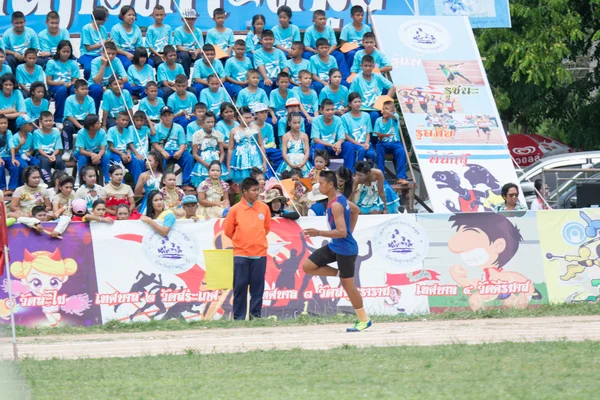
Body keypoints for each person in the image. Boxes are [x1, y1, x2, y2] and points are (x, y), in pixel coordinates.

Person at [302, 171, 371, 332]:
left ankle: (363, 320)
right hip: (336, 246)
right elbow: (355, 210)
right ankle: (339, 273)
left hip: (345, 250)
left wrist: (318, 233)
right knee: (307, 266)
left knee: (349, 287)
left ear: (330, 184)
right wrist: (349, 231)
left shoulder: (336, 204)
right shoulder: (339, 199)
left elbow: (342, 232)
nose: (319, 186)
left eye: (322, 183)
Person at [223, 177, 271, 320]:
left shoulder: (264, 208)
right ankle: (238, 317)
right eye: (254, 190)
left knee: (258, 288)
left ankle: (255, 316)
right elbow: (228, 231)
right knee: (240, 287)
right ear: (244, 192)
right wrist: (242, 240)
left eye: (258, 190)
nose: (257, 193)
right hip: (241, 253)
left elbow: (266, 228)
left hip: (259, 253)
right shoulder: (235, 210)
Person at [150, 105, 194, 187]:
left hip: (176, 150)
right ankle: (164, 183)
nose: (167, 118)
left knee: (189, 158)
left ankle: (186, 183)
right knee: (160, 159)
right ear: (161, 117)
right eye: (164, 115)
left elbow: (182, 143)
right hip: (163, 150)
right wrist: (163, 151)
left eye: (169, 115)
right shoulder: (157, 127)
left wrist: (180, 151)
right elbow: (154, 143)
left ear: (172, 116)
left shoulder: (179, 127)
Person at [302, 10, 349, 81]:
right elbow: (306, 46)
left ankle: (344, 78)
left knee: (340, 55)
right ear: (313, 20)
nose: (323, 21)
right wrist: (316, 51)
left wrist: (327, 53)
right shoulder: (309, 30)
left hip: (328, 50)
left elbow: (334, 44)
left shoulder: (329, 29)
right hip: (314, 51)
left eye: (324, 19)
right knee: (305, 55)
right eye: (320, 19)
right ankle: (310, 77)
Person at [349, 55, 395, 127]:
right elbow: (351, 94)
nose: (368, 68)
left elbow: (392, 87)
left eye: (370, 66)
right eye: (365, 66)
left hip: (376, 108)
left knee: (377, 115)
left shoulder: (378, 76)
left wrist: (385, 100)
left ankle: (376, 137)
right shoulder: (357, 78)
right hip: (361, 107)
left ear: (374, 66)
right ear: (361, 66)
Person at [88, 41, 131, 113]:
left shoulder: (117, 61)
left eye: (113, 54)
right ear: (102, 52)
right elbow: (97, 81)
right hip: (97, 86)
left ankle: (124, 114)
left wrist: (109, 87)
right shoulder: (95, 62)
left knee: (127, 86)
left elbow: (125, 78)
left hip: (111, 86)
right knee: (96, 89)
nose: (110, 56)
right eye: (108, 53)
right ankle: (94, 115)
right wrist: (103, 65)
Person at [227, 106, 266, 182]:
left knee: (257, 179)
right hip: (240, 158)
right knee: (242, 181)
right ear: (239, 118)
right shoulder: (234, 131)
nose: (248, 120)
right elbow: (230, 149)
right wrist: (229, 165)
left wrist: (264, 162)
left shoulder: (256, 128)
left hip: (255, 156)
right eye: (246, 118)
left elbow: (261, 145)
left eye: (250, 117)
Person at [374, 101, 409, 185]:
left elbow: (393, 116)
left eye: (387, 109)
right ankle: (380, 176)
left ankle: (401, 177)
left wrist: (389, 113)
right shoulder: (378, 120)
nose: (384, 111)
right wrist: (381, 136)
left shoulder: (395, 117)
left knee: (401, 151)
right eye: (383, 109)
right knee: (379, 150)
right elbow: (377, 134)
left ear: (392, 110)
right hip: (383, 143)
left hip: (395, 143)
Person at [46, 40, 80, 123]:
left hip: (69, 85)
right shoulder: (51, 62)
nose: (66, 54)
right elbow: (49, 81)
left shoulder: (73, 63)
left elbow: (75, 80)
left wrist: (71, 83)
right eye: (64, 51)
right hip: (55, 86)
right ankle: (59, 118)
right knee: (62, 90)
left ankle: (73, 116)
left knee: (74, 89)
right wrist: (59, 83)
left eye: (68, 51)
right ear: (58, 51)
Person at [190, 111, 227, 187]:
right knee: (203, 185)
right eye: (208, 122)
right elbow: (195, 154)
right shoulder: (197, 135)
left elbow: (222, 152)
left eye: (212, 122)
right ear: (203, 122)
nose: (211, 124)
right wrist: (206, 164)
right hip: (203, 161)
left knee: (218, 184)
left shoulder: (218, 134)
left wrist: (218, 163)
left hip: (215, 159)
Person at [63, 79, 96, 160]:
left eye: (86, 89)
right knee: (67, 127)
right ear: (75, 90)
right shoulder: (69, 99)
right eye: (82, 89)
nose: (85, 91)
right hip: (71, 120)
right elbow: (69, 116)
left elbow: (92, 115)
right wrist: (80, 126)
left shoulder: (90, 100)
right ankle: (67, 150)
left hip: (85, 121)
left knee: (92, 127)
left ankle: (85, 150)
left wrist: (85, 125)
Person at [107, 111, 143, 183]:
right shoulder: (111, 130)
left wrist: (128, 154)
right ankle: (121, 185)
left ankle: (139, 185)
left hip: (124, 153)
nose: (125, 122)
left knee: (135, 161)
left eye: (127, 120)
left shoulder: (127, 131)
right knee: (118, 165)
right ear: (117, 120)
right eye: (123, 120)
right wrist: (122, 154)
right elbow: (111, 147)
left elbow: (128, 145)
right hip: (114, 153)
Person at [342, 93, 375, 171]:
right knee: (361, 150)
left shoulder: (366, 116)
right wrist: (360, 144)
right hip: (353, 144)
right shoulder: (344, 117)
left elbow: (368, 132)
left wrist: (366, 143)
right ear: (350, 104)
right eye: (355, 102)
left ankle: (367, 174)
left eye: (359, 101)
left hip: (365, 143)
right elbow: (346, 136)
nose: (357, 104)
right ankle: (356, 173)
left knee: (372, 154)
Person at [75, 114, 111, 184]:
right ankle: (82, 182)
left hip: (97, 153)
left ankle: (107, 180)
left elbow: (103, 149)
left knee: (106, 158)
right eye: (97, 123)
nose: (100, 124)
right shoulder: (81, 133)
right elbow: (81, 151)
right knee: (82, 159)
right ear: (91, 126)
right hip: (83, 153)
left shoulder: (102, 132)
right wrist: (92, 155)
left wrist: (98, 156)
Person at [254, 30, 288, 97]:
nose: (268, 41)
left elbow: (285, 67)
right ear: (261, 41)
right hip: (264, 79)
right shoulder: (257, 53)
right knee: (266, 85)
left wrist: (283, 80)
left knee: (285, 85)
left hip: (278, 79)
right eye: (266, 39)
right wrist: (266, 78)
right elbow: (260, 66)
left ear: (274, 40)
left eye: (270, 39)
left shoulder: (279, 52)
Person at [277, 112, 312, 177]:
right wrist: (291, 164)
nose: (297, 125)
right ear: (289, 123)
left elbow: (307, 151)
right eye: (294, 123)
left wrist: (303, 163)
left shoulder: (304, 136)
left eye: (299, 122)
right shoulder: (286, 136)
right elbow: (284, 153)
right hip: (289, 161)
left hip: (302, 160)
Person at [34, 111, 65, 183]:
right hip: (42, 154)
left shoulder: (56, 131)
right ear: (41, 122)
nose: (48, 122)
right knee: (45, 161)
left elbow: (58, 147)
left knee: (59, 161)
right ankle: (49, 182)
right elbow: (39, 149)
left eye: (50, 120)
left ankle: (62, 180)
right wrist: (48, 156)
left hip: (53, 153)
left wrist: (53, 155)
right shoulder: (37, 132)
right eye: (46, 121)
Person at [111, 6, 145, 71]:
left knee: (149, 62)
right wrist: (126, 54)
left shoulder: (137, 29)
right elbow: (114, 48)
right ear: (122, 16)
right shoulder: (116, 29)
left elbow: (139, 47)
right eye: (129, 15)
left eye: (133, 15)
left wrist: (137, 56)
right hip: (120, 53)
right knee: (127, 64)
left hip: (134, 53)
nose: (132, 17)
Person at [79, 6, 109, 79]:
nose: (106, 19)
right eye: (105, 17)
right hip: (87, 55)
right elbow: (88, 48)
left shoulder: (103, 28)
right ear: (100, 17)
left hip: (101, 54)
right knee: (89, 69)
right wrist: (103, 43)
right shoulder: (86, 29)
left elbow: (105, 43)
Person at [9, 115, 40, 186]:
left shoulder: (30, 135)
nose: (32, 126)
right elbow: (14, 151)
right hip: (18, 155)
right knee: (23, 166)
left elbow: (33, 148)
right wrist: (20, 144)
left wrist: (29, 153)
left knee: (36, 162)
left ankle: (33, 182)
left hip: (27, 155)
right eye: (29, 124)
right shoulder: (15, 137)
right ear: (22, 126)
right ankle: (21, 184)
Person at [173, 8, 204, 78]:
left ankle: (198, 78)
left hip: (194, 52)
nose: (190, 21)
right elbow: (178, 46)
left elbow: (199, 47)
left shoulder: (198, 31)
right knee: (185, 56)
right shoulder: (178, 31)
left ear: (195, 19)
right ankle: (185, 78)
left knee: (201, 58)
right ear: (183, 19)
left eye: (192, 19)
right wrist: (188, 51)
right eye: (188, 19)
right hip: (183, 52)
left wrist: (195, 53)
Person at [253, 103, 282, 172]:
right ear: (256, 114)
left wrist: (265, 147)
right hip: (255, 149)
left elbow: (271, 142)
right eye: (261, 112)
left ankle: (276, 172)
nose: (265, 114)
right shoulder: (251, 126)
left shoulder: (269, 126)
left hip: (267, 148)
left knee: (282, 155)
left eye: (266, 112)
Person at [134, 150, 164, 215]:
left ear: (156, 163)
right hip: (148, 202)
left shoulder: (163, 175)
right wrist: (142, 182)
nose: (146, 162)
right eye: (146, 160)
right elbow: (136, 193)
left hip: (161, 201)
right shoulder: (143, 175)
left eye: (149, 161)